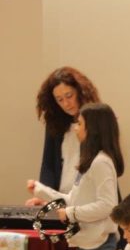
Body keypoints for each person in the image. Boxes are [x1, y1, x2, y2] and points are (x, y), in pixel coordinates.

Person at [27, 103, 123, 250]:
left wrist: (71, 213)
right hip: (87, 243)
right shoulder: (89, 162)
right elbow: (74, 198)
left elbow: (107, 205)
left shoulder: (101, 163)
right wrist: (40, 191)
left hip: (97, 245)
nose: (76, 128)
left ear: (93, 129)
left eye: (80, 124)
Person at [32, 67, 100, 198]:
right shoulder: (55, 123)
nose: (66, 104)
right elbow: (48, 164)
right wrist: (42, 195)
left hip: (92, 198)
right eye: (59, 100)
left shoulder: (98, 119)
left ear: (80, 92)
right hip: (61, 197)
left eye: (69, 96)